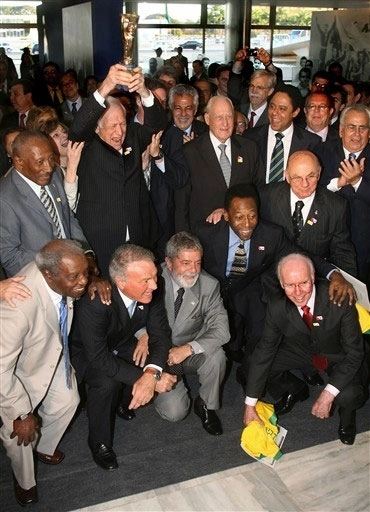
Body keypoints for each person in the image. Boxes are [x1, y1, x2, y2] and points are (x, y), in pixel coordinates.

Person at [195, 184, 352, 384]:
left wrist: (334, 274)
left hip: (247, 286)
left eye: (252, 216)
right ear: (226, 215)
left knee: (260, 326)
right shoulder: (206, 232)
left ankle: (251, 371)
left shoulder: (271, 234)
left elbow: (301, 256)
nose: (247, 224)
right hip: (213, 288)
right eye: (239, 217)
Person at [70, 244, 176, 471]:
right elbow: (99, 358)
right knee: (107, 383)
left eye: (155, 277)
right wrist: (149, 379)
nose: (155, 285)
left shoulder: (154, 287)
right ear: (121, 282)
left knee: (149, 358)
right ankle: (99, 442)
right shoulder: (96, 302)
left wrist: (152, 373)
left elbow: (160, 334)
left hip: (120, 341)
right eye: (146, 281)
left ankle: (123, 403)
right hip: (86, 353)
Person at [243, 253, 367, 446]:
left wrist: (328, 394)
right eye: (290, 285)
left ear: (313, 278)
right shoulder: (276, 305)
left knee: (348, 395)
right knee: (251, 364)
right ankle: (294, 388)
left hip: (337, 354)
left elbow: (354, 353)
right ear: (281, 284)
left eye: (303, 283)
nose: (298, 292)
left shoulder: (340, 298)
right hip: (302, 350)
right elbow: (265, 350)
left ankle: (347, 418)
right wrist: (250, 405)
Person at [0, 239, 88, 506]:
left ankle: (43, 448)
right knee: (19, 434)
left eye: (86, 272)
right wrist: (22, 413)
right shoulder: (18, 307)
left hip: (48, 353)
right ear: (48, 275)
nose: (83, 280)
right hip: (15, 373)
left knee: (68, 401)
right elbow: (1, 368)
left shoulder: (64, 275)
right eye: (75, 276)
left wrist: (89, 279)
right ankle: (24, 480)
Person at [69, 63, 167, 277]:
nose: (119, 132)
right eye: (112, 126)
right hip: (101, 239)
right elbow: (76, 128)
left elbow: (158, 123)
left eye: (122, 124)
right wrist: (107, 86)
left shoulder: (132, 135)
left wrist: (143, 90)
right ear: (96, 127)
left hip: (139, 234)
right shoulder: (87, 145)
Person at [158, 232, 229, 435]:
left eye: (197, 262)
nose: (194, 270)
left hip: (186, 353)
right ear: (169, 263)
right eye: (186, 263)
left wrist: (188, 349)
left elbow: (222, 330)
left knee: (216, 356)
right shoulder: (151, 278)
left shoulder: (209, 285)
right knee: (175, 412)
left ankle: (206, 405)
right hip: (155, 356)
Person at [0, 131, 94, 278]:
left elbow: (68, 218)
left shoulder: (54, 174)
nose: (49, 167)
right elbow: (9, 256)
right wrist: (57, 267)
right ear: (19, 162)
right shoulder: (5, 199)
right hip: (38, 282)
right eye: (40, 162)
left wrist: (85, 253)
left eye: (51, 158)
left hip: (71, 273)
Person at [175, 95, 264, 232]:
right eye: (219, 117)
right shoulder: (189, 152)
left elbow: (258, 191)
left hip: (243, 233)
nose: (225, 123)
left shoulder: (249, 148)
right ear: (207, 119)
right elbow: (181, 205)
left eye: (229, 117)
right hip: (204, 235)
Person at [316, 104, 370, 285]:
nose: (357, 133)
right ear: (340, 130)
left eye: (363, 128)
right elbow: (307, 189)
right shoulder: (321, 152)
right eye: (351, 127)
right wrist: (338, 183)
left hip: (365, 245)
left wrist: (357, 182)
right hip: (326, 242)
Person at [244, 86, 321, 183]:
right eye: (272, 106)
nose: (274, 113)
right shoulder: (250, 137)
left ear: (295, 112)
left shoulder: (311, 142)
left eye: (282, 109)